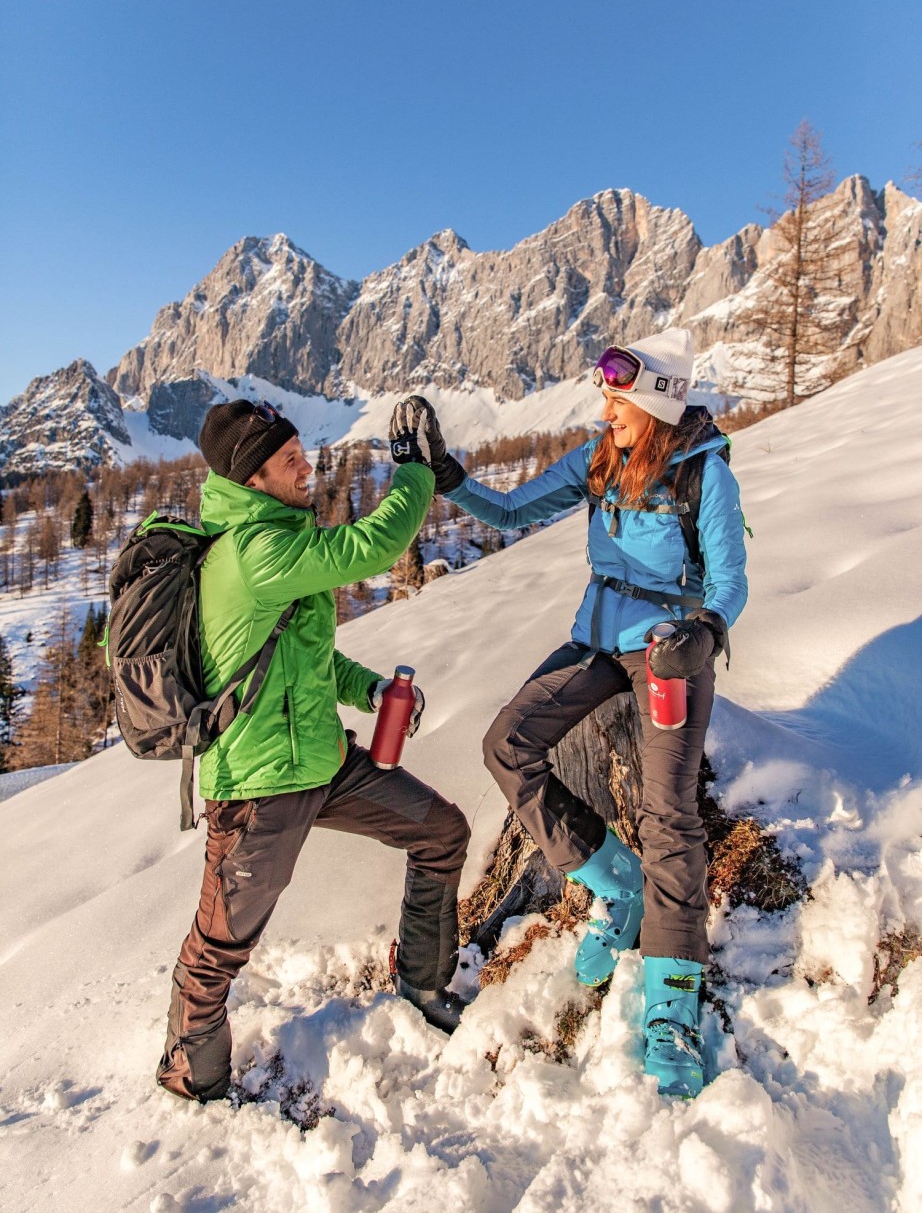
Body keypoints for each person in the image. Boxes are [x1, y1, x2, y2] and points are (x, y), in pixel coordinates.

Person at [389, 328, 747, 1098]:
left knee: (670, 816)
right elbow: (513, 511)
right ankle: (618, 887)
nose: (605, 409)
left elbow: (730, 578)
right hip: (594, 641)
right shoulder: (599, 457)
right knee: (507, 744)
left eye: (617, 399)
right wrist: (447, 474)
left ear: (652, 403)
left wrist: (706, 631)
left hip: (666, 650)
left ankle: (673, 1011)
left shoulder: (702, 473)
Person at [157, 399, 471, 1104]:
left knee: (441, 832)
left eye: (304, 453)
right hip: (260, 786)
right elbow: (373, 548)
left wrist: (368, 691)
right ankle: (190, 1075)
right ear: (254, 479)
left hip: (322, 762)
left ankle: (422, 982)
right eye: (290, 461)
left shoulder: (275, 538)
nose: (309, 468)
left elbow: (303, 659)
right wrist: (416, 471)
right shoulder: (253, 550)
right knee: (220, 945)